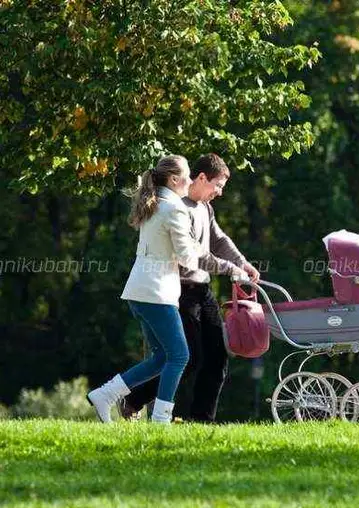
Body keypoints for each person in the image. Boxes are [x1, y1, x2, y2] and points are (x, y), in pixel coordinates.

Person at [119, 153, 260, 422]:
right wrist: (232, 270)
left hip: (203, 290)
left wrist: (243, 263)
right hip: (180, 291)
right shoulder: (176, 207)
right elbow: (193, 258)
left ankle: (202, 420)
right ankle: (134, 400)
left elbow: (218, 239)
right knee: (188, 357)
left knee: (218, 356)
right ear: (202, 177)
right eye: (217, 185)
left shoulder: (205, 207)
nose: (219, 193)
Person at [87, 155, 205, 423]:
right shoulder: (174, 208)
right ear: (175, 180)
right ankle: (162, 418)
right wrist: (200, 248)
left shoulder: (156, 204)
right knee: (180, 355)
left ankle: (105, 394)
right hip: (156, 293)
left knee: (162, 357)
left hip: (141, 291)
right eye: (187, 175)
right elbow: (187, 257)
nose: (189, 180)